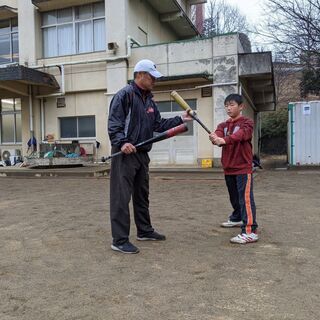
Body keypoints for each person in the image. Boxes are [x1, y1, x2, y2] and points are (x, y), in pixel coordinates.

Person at [108, 59, 191, 254]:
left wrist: (181, 119)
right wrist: (122, 142)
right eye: (152, 77)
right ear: (140, 75)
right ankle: (119, 240)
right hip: (125, 153)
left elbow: (158, 125)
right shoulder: (124, 95)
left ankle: (144, 230)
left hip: (142, 154)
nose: (155, 80)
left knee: (142, 195)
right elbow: (114, 123)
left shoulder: (149, 101)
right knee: (121, 197)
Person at [209, 93, 258, 244]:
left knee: (245, 199)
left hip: (243, 167)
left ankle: (250, 231)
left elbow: (240, 135)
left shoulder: (247, 123)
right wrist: (215, 138)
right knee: (234, 197)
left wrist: (223, 140)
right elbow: (218, 134)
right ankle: (237, 217)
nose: (228, 108)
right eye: (226, 105)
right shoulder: (223, 125)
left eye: (232, 105)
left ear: (241, 106)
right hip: (228, 167)